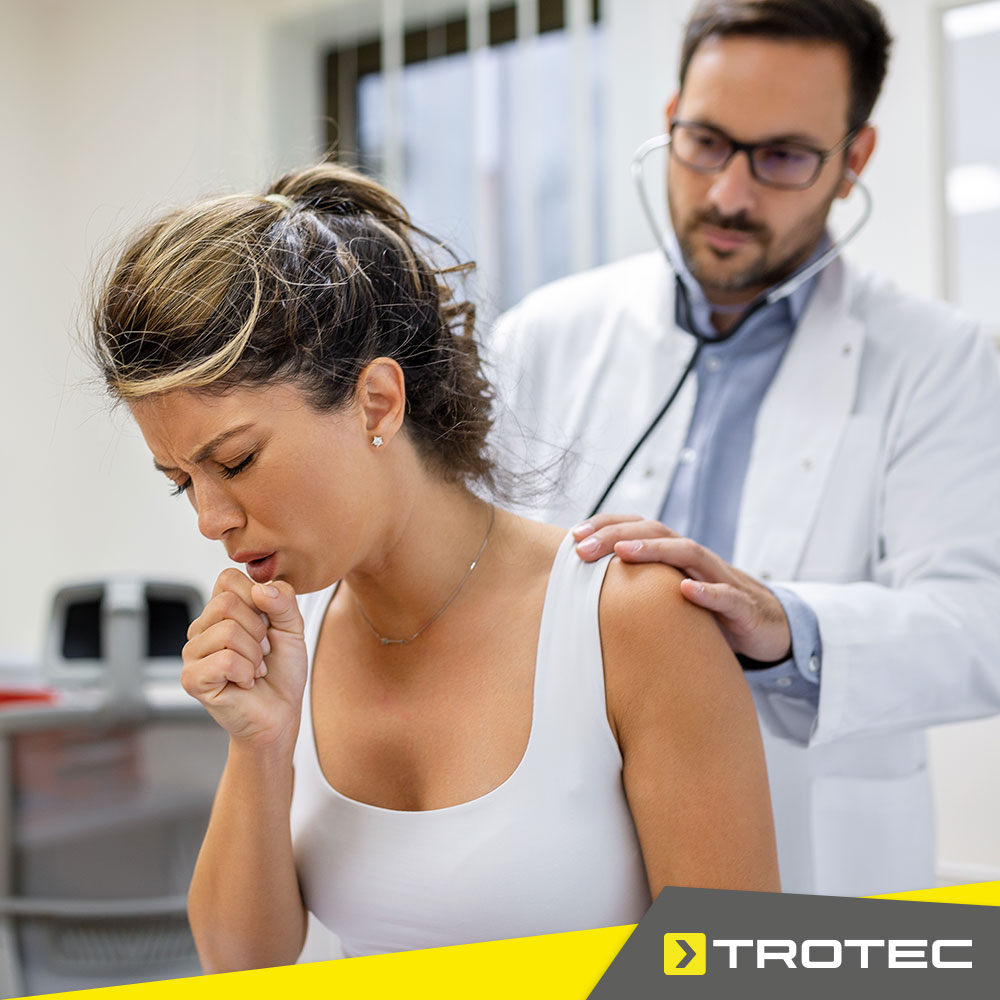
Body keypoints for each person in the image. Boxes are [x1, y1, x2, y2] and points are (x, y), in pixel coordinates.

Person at [88, 163, 778, 971]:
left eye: (235, 462)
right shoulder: (288, 638)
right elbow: (241, 968)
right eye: (182, 483)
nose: (211, 519)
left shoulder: (629, 619)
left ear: (377, 402)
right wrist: (260, 747)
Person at [490, 0, 1000, 897]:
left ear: (854, 161)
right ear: (670, 120)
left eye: (784, 157)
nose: (729, 194)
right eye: (707, 143)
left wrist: (789, 626)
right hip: (563, 856)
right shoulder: (546, 334)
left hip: (813, 867)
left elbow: (980, 624)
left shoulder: (943, 360)